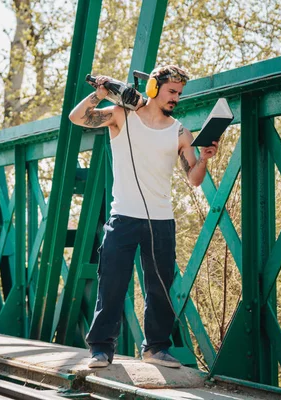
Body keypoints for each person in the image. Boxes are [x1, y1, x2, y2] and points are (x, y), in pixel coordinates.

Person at [68, 65, 218, 369]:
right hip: (123, 216)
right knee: (111, 284)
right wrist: (98, 95)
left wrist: (203, 158)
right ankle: (100, 349)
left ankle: (156, 348)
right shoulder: (121, 116)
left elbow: (194, 179)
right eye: (171, 91)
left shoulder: (181, 132)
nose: (176, 98)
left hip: (161, 220)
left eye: (179, 93)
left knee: (160, 288)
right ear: (153, 88)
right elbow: (77, 118)